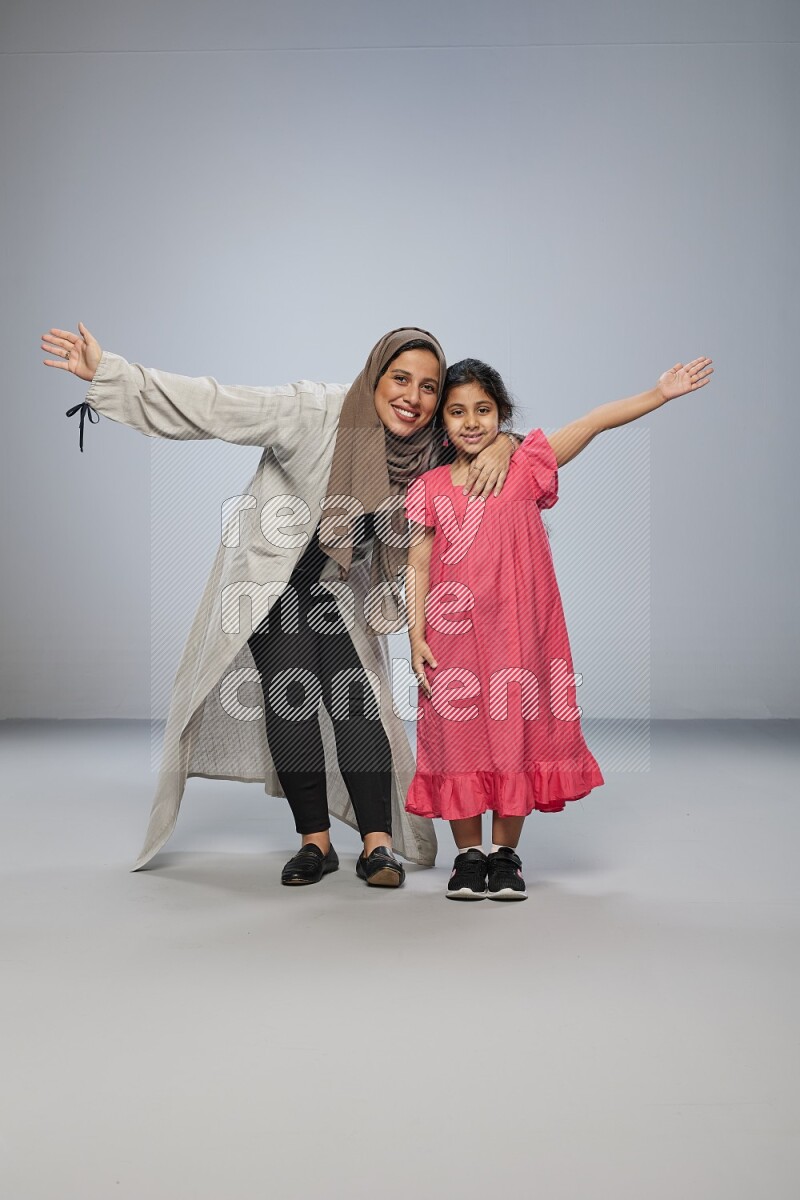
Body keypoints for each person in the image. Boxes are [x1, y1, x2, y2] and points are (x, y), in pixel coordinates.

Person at [42, 324, 522, 888]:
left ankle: (378, 846)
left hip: (338, 586)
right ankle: (314, 842)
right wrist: (111, 372)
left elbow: (490, 434)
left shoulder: (424, 448)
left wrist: (505, 442)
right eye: (400, 379)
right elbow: (213, 405)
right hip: (269, 582)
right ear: (375, 375)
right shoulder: (314, 410)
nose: (411, 398)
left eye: (427, 387)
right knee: (291, 696)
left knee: (357, 702)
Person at [404, 354, 713, 900]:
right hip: (452, 640)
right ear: (442, 423)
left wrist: (658, 394)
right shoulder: (428, 486)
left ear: (502, 414)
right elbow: (419, 564)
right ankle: (467, 857)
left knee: (514, 737)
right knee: (458, 742)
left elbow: (592, 421)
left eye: (484, 410)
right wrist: (415, 634)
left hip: (521, 636)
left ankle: (505, 857)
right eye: (457, 412)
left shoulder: (525, 465)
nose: (472, 421)